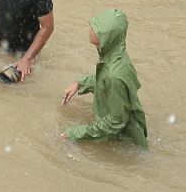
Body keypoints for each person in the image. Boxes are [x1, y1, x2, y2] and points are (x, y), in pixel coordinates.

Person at [61, 9, 148, 147]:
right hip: (124, 129)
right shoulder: (116, 54)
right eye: (94, 25)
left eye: (98, 30)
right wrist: (80, 83)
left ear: (109, 38)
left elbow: (116, 122)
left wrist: (78, 132)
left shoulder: (114, 76)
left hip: (125, 143)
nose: (91, 30)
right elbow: (103, 81)